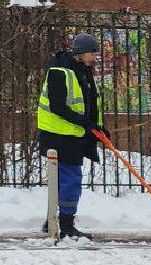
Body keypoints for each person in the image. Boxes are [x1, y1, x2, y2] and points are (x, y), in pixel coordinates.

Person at [36, 33, 103, 240]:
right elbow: (57, 106)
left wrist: (98, 127)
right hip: (58, 134)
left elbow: (89, 101)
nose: (94, 57)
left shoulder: (82, 70)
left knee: (63, 179)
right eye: (92, 53)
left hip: (74, 133)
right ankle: (65, 225)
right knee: (70, 180)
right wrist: (85, 123)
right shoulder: (59, 71)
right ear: (80, 53)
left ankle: (54, 221)